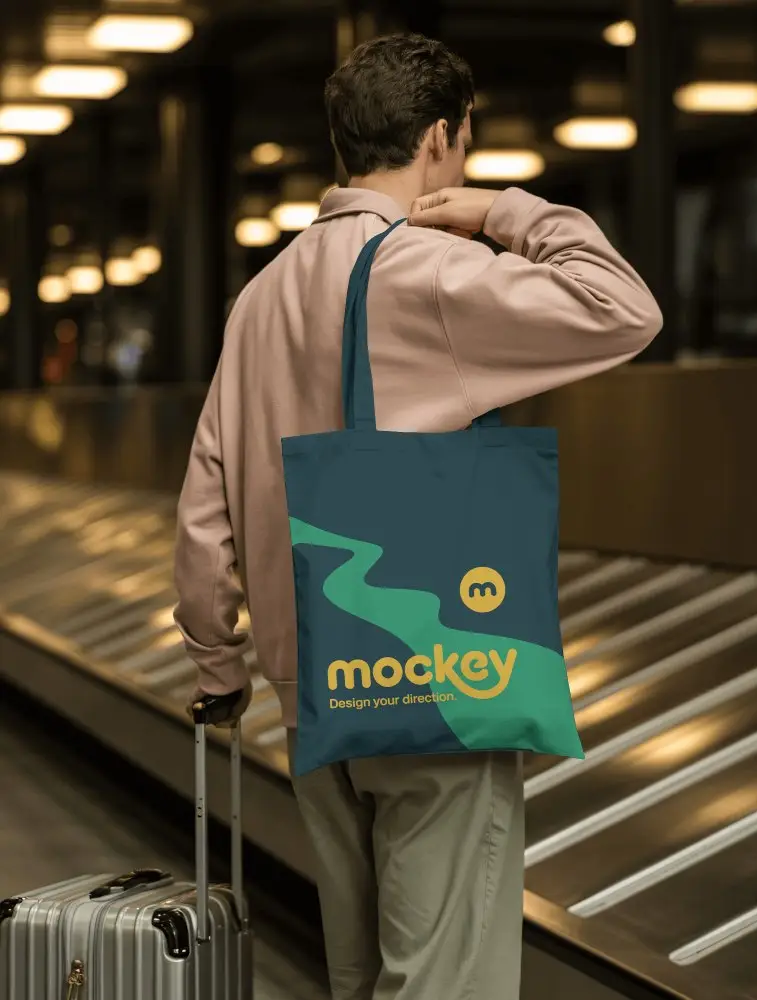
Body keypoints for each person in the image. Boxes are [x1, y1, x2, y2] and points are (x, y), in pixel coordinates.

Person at [174, 32, 662, 1000]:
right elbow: (621, 310)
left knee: (358, 964)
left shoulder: (263, 291)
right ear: (438, 137)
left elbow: (206, 491)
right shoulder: (424, 270)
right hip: (425, 666)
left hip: (302, 669)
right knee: (444, 968)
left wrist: (217, 660)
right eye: (467, 144)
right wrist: (507, 213)